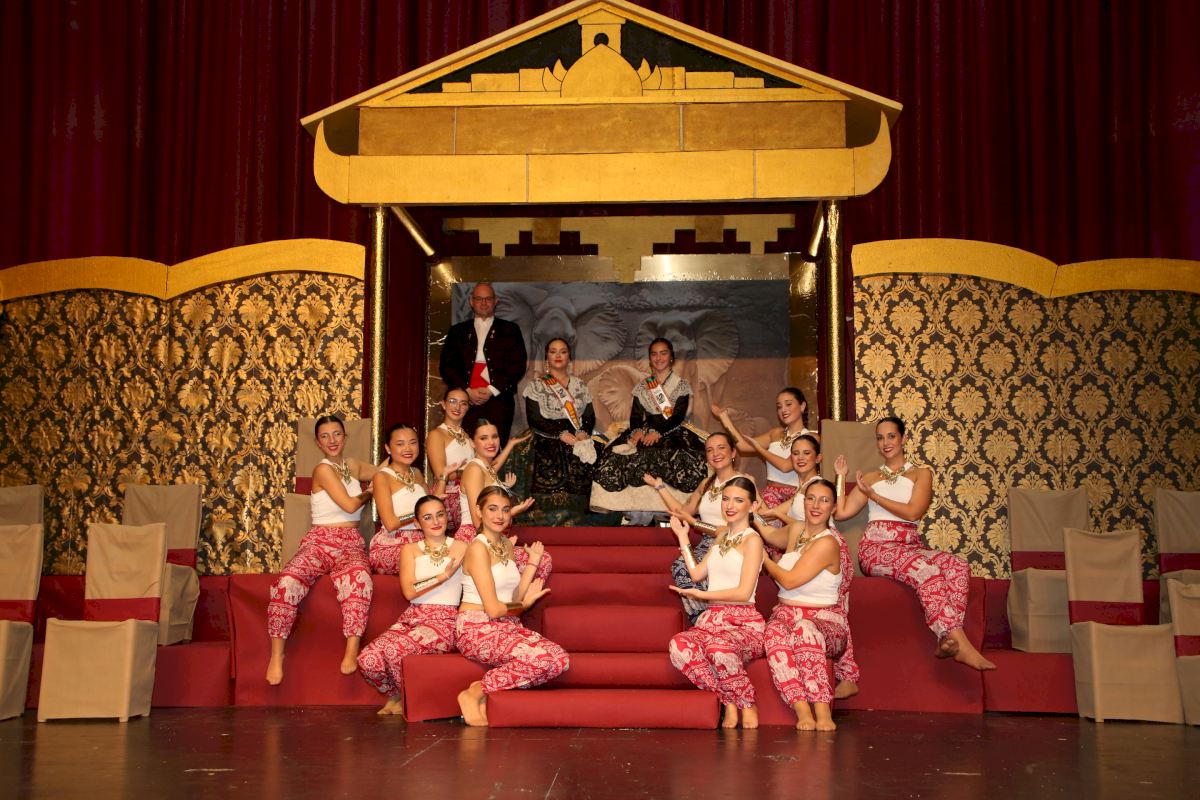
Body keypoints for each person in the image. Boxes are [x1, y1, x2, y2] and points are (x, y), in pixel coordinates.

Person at [834, 416, 995, 671]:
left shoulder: (921, 473)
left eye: (891, 436)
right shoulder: (872, 478)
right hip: (876, 548)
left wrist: (874, 496)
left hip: (909, 546)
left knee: (958, 566)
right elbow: (841, 513)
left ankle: (946, 641)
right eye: (880, 438)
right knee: (926, 570)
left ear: (904, 439)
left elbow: (913, 512)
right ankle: (960, 643)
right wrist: (841, 477)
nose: (885, 442)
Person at [266, 414, 376, 684]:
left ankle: (351, 649)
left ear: (345, 436)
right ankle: (277, 654)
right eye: (325, 436)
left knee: (360, 578)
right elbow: (350, 505)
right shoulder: (322, 470)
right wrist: (370, 491)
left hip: (350, 541)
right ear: (318, 443)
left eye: (337, 434)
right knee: (287, 581)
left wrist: (392, 471)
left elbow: (382, 472)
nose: (332, 440)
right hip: (320, 540)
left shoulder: (352, 465)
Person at [455, 486, 568, 726]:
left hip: (507, 624)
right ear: (479, 511)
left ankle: (483, 687)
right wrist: (523, 604)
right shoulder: (477, 548)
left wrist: (532, 564)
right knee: (542, 660)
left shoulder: (506, 544)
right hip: (476, 627)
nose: (500, 516)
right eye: (492, 509)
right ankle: (474, 694)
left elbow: (514, 595)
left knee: (559, 660)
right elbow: (494, 609)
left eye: (505, 510)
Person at [667, 476, 766, 729]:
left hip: (743, 622)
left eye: (738, 500)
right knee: (680, 645)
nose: (730, 506)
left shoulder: (752, 540)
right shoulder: (720, 537)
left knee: (718, 647)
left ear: (753, 506)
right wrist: (683, 537)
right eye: (725, 499)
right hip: (712, 620)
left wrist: (702, 595)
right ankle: (728, 700)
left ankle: (747, 704)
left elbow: (744, 592)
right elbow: (696, 574)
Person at [357, 495, 465, 717]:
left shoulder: (461, 546)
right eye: (428, 517)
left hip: (444, 621)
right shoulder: (410, 549)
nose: (436, 521)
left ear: (447, 517)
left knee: (393, 651)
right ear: (417, 523)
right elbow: (409, 591)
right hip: (413, 617)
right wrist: (442, 576)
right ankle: (396, 694)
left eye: (440, 514)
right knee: (368, 659)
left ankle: (409, 702)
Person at [763, 479, 853, 731]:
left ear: (833, 508)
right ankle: (802, 709)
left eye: (824, 500)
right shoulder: (797, 530)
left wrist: (765, 560)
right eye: (811, 498)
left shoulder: (828, 542)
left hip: (824, 621)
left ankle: (822, 711)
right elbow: (769, 533)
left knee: (804, 629)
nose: (816, 505)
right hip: (785, 614)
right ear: (803, 502)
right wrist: (753, 515)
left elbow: (789, 581)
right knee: (773, 632)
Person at [591, 337, 707, 513]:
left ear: (671, 357)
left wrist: (658, 432)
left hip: (672, 429)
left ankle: (677, 509)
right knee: (614, 455)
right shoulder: (642, 386)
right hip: (646, 428)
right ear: (650, 358)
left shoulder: (681, 385)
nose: (658, 358)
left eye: (663, 353)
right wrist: (637, 431)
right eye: (654, 354)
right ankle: (628, 510)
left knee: (679, 456)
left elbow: (678, 416)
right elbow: (636, 415)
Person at [644, 432, 748, 624]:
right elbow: (682, 512)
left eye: (721, 448)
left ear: (733, 452)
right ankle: (704, 621)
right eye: (710, 450)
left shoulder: (744, 482)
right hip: (707, 543)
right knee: (681, 566)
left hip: (734, 543)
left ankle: (711, 620)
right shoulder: (706, 484)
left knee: (689, 567)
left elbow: (735, 526)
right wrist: (660, 487)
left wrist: (694, 523)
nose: (715, 453)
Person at [513, 338, 604, 525]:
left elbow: (589, 416)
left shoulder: (580, 385)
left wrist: (583, 432)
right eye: (553, 351)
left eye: (563, 351)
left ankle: (585, 515)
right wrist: (559, 434)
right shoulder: (536, 386)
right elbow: (534, 419)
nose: (558, 355)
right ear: (546, 357)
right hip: (546, 435)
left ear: (569, 357)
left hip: (577, 435)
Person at [439, 282, 527, 446]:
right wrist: (466, 390)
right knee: (463, 448)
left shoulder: (510, 330)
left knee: (494, 448)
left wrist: (492, 389)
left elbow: (517, 365)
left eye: (488, 299)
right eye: (479, 299)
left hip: (499, 402)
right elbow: (446, 366)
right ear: (471, 301)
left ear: (496, 301)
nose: (484, 303)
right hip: (463, 403)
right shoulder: (457, 331)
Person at [713, 387, 815, 519]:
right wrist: (724, 417)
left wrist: (760, 449)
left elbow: (785, 466)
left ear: (802, 406)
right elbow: (743, 446)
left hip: (796, 495)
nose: (783, 410)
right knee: (756, 520)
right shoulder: (775, 433)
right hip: (771, 493)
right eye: (779, 407)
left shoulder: (811, 437)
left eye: (788, 404)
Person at [368, 423, 446, 574]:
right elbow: (390, 523)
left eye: (413, 443)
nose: (408, 449)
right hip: (393, 542)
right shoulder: (382, 477)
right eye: (400, 444)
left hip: (424, 538)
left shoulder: (416, 473)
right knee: (431, 561)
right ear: (388, 448)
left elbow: (432, 503)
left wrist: (443, 478)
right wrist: (419, 514)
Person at [425, 387, 475, 533]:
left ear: (467, 408)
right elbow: (440, 474)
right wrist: (470, 472)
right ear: (443, 404)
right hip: (448, 493)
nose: (457, 407)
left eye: (463, 403)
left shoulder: (467, 436)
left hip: (470, 489)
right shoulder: (436, 434)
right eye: (452, 401)